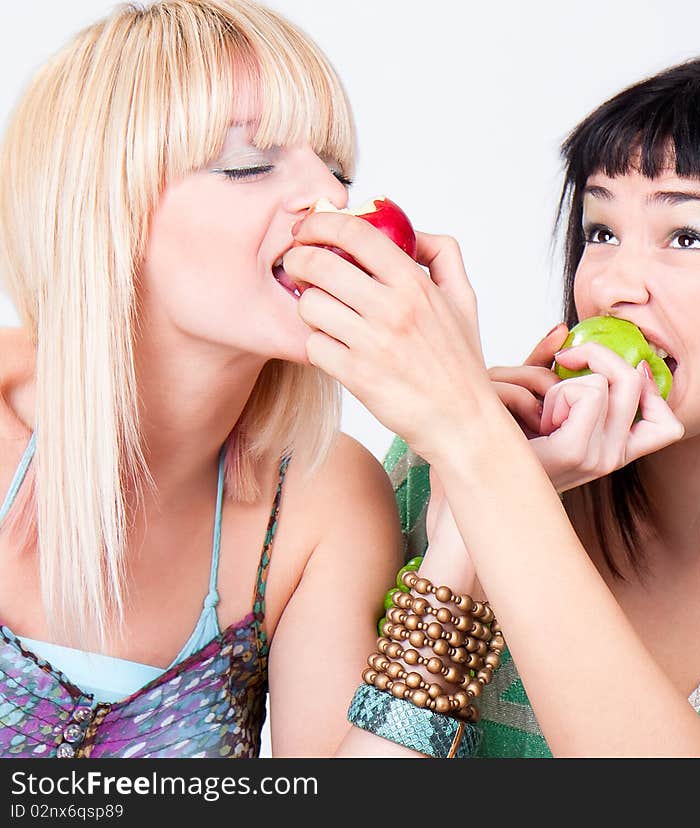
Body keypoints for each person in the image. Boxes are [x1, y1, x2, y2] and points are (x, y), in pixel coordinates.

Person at [287, 51, 700, 757]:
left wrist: (487, 464)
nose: (613, 286)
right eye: (601, 232)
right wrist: (472, 511)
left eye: (687, 236)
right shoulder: (437, 473)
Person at [0, 0, 406, 758]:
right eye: (248, 166)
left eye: (337, 168)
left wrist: (467, 519)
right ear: (106, 214)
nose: (335, 200)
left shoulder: (323, 496)